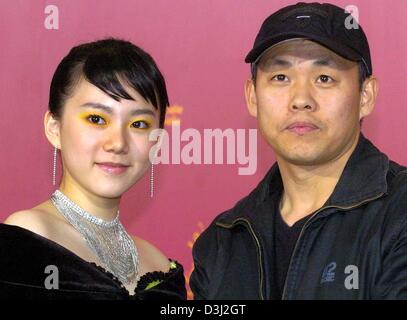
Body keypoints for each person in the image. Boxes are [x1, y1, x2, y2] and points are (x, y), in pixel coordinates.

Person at [190, 2, 407, 300]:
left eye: (324, 78)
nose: (301, 99)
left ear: (365, 96)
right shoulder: (222, 242)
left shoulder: (399, 213)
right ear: (252, 97)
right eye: (280, 78)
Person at [0, 38, 186, 299]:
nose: (118, 143)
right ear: (54, 127)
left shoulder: (159, 264)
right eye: (97, 119)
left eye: (140, 124)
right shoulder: (29, 236)